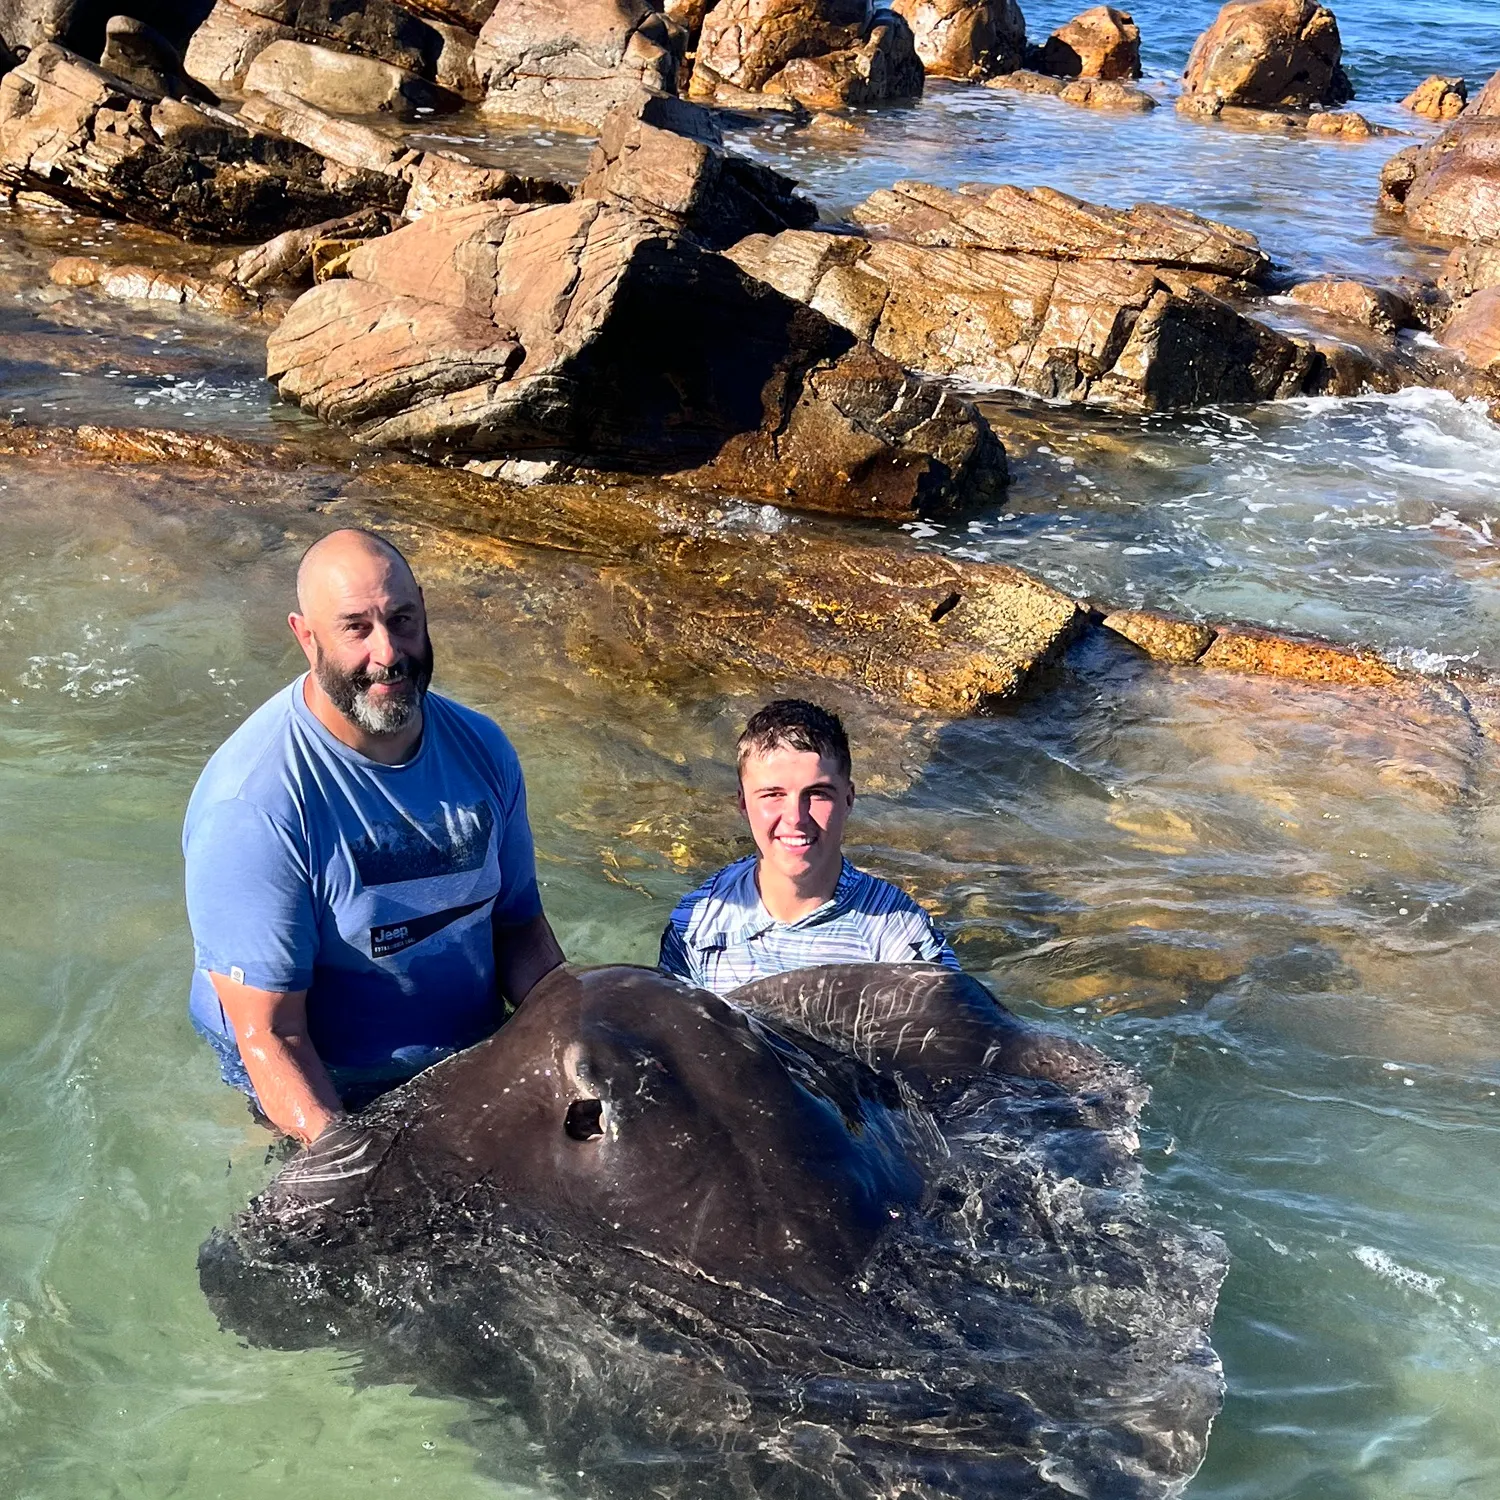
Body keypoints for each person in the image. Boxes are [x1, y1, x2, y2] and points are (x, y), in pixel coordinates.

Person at [182, 528, 563, 1143]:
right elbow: (271, 1036)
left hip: (470, 1058)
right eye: (356, 628)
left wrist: (576, 1037)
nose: (388, 653)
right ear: (307, 638)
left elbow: (518, 928)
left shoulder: (483, 748)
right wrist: (343, 1155)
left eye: (402, 619)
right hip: (324, 1081)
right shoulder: (255, 805)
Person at [658, 698, 959, 995]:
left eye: (817, 794)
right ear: (742, 803)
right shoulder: (695, 926)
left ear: (849, 799)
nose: (796, 818)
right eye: (773, 795)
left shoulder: (900, 941)